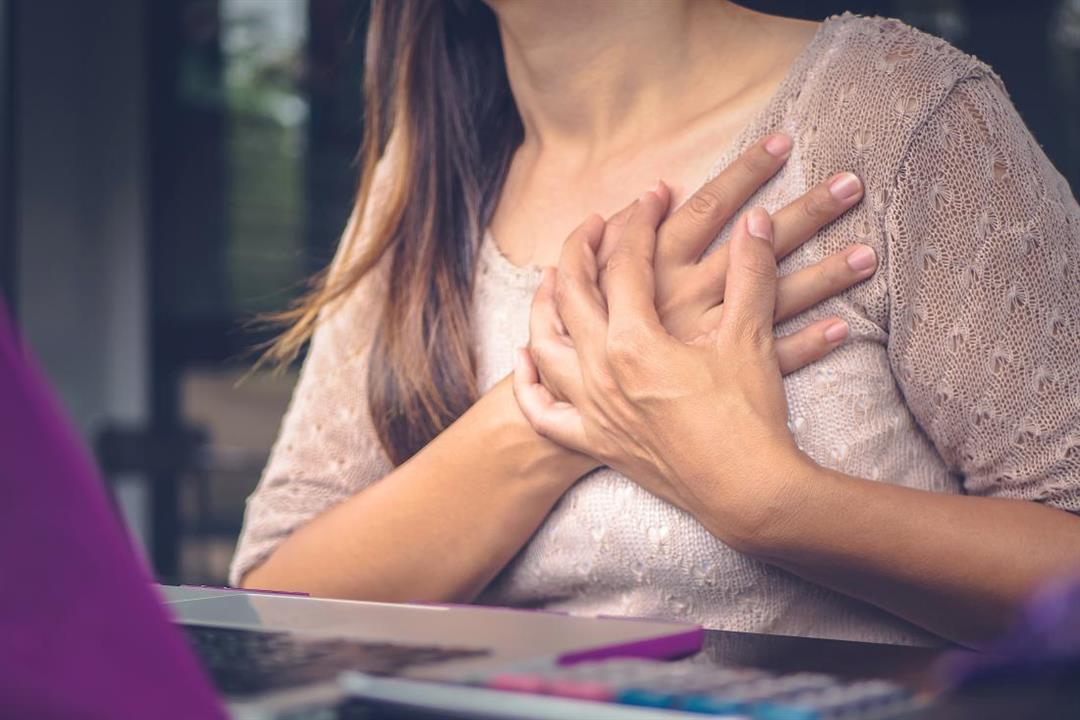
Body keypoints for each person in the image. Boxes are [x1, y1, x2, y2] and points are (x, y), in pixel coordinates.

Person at [230, 1, 1080, 648]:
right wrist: (561, 405)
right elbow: (276, 604)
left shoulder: (900, 112)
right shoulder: (421, 184)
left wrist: (771, 505)